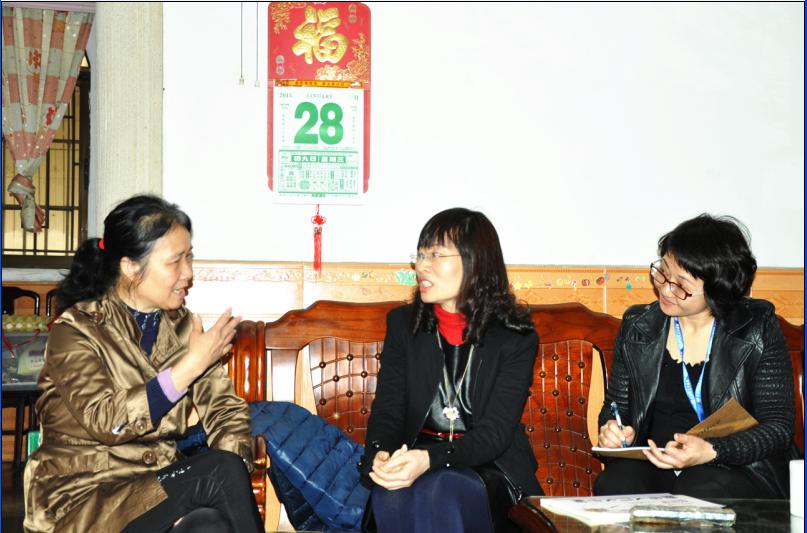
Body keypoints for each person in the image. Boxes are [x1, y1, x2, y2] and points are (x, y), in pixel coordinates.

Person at [23, 195, 264, 533]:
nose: (188, 273)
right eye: (175, 261)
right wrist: (189, 367)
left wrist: (234, 469)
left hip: (153, 488)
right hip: (83, 497)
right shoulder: (76, 330)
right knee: (217, 471)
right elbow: (107, 421)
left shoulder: (183, 327)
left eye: (189, 257)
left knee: (211, 521)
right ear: (131, 267)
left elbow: (225, 410)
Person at [359, 207, 543, 533]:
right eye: (420, 255)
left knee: (442, 490)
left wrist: (430, 459)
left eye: (436, 254)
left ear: (475, 262)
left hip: (488, 469)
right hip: (414, 459)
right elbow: (388, 410)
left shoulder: (515, 337)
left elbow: (495, 434)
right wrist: (380, 455)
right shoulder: (403, 326)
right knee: (392, 494)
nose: (421, 266)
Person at [594, 214, 795, 499]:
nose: (665, 289)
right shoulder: (639, 326)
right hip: (658, 461)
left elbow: (778, 428)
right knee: (617, 482)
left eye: (681, 285)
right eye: (662, 273)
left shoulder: (756, 326)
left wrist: (713, 450)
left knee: (699, 486)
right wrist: (612, 430)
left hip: (734, 466)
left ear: (718, 289)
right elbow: (617, 407)